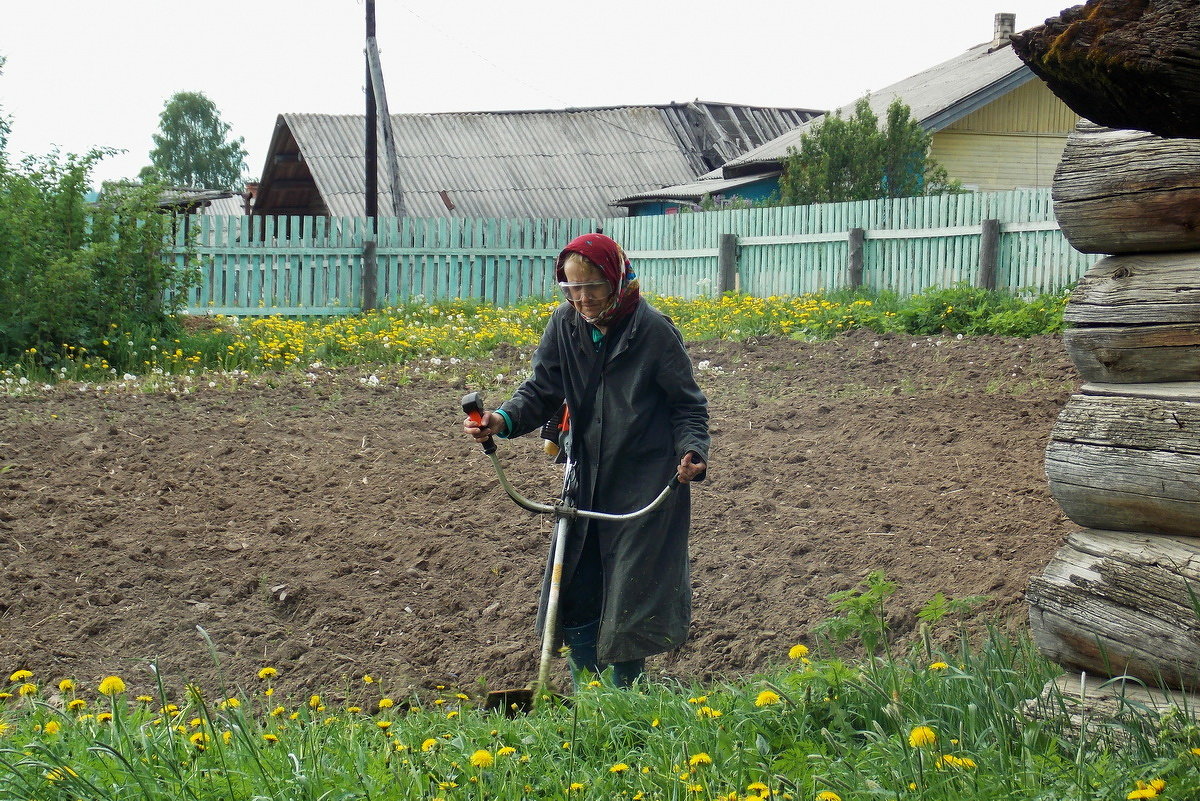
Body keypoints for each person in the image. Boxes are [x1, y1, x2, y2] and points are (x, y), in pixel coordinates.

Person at [463, 232, 709, 688]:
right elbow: (540, 390)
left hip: (645, 481)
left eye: (591, 286)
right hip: (584, 477)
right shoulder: (564, 324)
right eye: (571, 288)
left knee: (630, 593)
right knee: (576, 584)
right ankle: (587, 696)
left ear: (615, 279)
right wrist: (501, 419)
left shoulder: (652, 331)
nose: (582, 297)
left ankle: (624, 700)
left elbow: (688, 406)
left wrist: (693, 451)